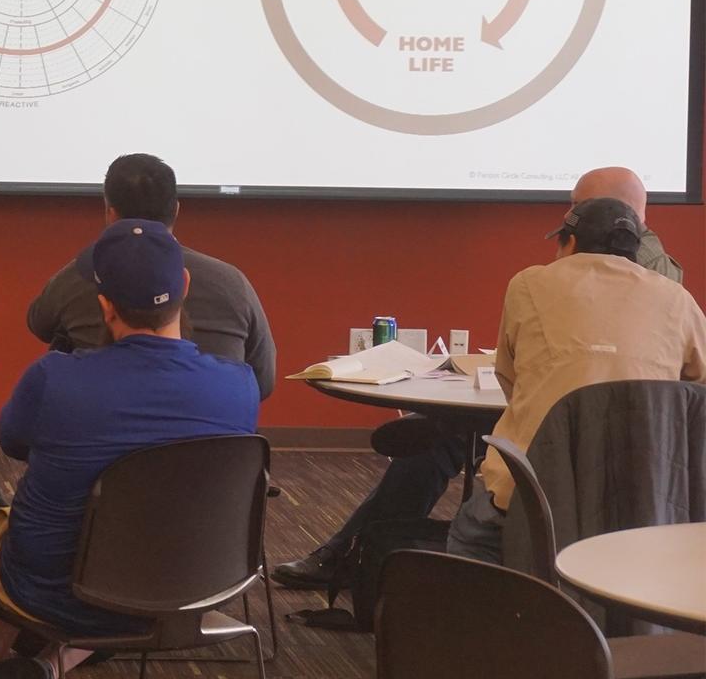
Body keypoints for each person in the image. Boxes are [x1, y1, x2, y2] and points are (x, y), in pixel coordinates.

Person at [0, 221, 259, 679]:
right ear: (184, 286)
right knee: (129, 550)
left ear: (104, 304)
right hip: (193, 590)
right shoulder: (239, 387)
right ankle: (48, 667)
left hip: (60, 592)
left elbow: (14, 443)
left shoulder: (55, 378)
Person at [275, 165, 687, 589]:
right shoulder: (673, 294)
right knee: (435, 439)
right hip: (626, 461)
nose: (567, 217)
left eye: (577, 207)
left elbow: (517, 376)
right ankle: (358, 552)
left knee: (446, 443)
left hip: (581, 446)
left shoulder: (635, 274)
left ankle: (390, 564)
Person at [445, 196, 706, 566]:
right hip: (645, 500)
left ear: (569, 242)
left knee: (469, 536)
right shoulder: (676, 298)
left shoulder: (528, 284)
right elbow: (698, 393)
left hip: (533, 496)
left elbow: (510, 378)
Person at [25, 153, 275, 399]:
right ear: (176, 210)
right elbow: (262, 381)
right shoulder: (233, 283)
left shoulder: (76, 278)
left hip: (105, 418)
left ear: (110, 213)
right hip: (217, 422)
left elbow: (39, 324)